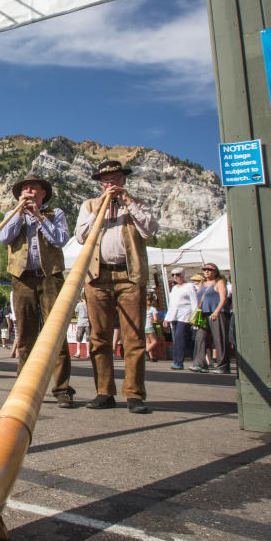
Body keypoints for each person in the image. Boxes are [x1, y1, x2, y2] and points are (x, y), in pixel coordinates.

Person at [74, 159, 159, 413]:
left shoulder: (136, 204)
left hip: (129, 275)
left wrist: (128, 203)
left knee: (133, 337)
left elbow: (150, 231)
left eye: (114, 179)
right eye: (105, 180)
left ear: (123, 180)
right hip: (98, 277)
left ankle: (134, 394)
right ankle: (104, 392)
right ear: (100, 183)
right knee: (98, 338)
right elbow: (81, 237)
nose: (109, 183)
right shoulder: (89, 205)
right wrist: (99, 207)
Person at [0, 174, 76, 406]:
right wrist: (20, 213)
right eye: (25, 189)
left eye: (33, 188)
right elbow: (3, 237)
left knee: (56, 334)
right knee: (25, 336)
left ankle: (62, 388)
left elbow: (60, 240)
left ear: (43, 194)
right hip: (22, 278)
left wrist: (39, 216)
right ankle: (24, 387)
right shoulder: (12, 215)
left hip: (50, 277)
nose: (29, 191)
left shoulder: (55, 214)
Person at [190, 264, 231, 374]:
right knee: (200, 338)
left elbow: (223, 299)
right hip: (204, 314)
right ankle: (199, 364)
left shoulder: (219, 282)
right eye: (205, 270)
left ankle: (223, 366)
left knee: (219, 339)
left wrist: (216, 311)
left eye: (209, 270)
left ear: (215, 271)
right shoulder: (204, 284)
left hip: (216, 313)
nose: (207, 272)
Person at [163, 268, 200, 370]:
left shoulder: (189, 287)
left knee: (179, 339)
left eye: (178, 274)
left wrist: (195, 318)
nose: (175, 276)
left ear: (183, 275)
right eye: (173, 275)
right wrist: (167, 318)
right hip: (175, 316)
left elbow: (194, 302)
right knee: (187, 341)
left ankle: (178, 362)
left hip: (186, 316)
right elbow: (172, 305)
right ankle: (198, 361)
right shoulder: (174, 288)